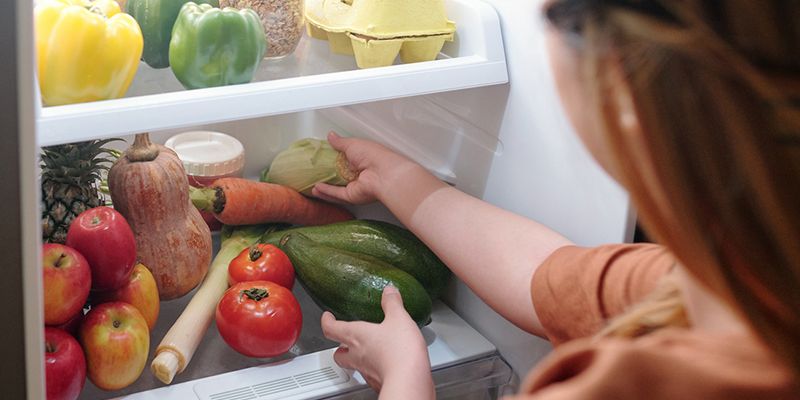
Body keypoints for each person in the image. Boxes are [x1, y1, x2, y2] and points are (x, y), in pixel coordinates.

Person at [311, 0, 800, 398]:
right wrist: (399, 180)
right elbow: (545, 275)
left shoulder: (626, 386)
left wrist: (404, 377)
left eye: (554, 17)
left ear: (621, 82)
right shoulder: (727, 282)